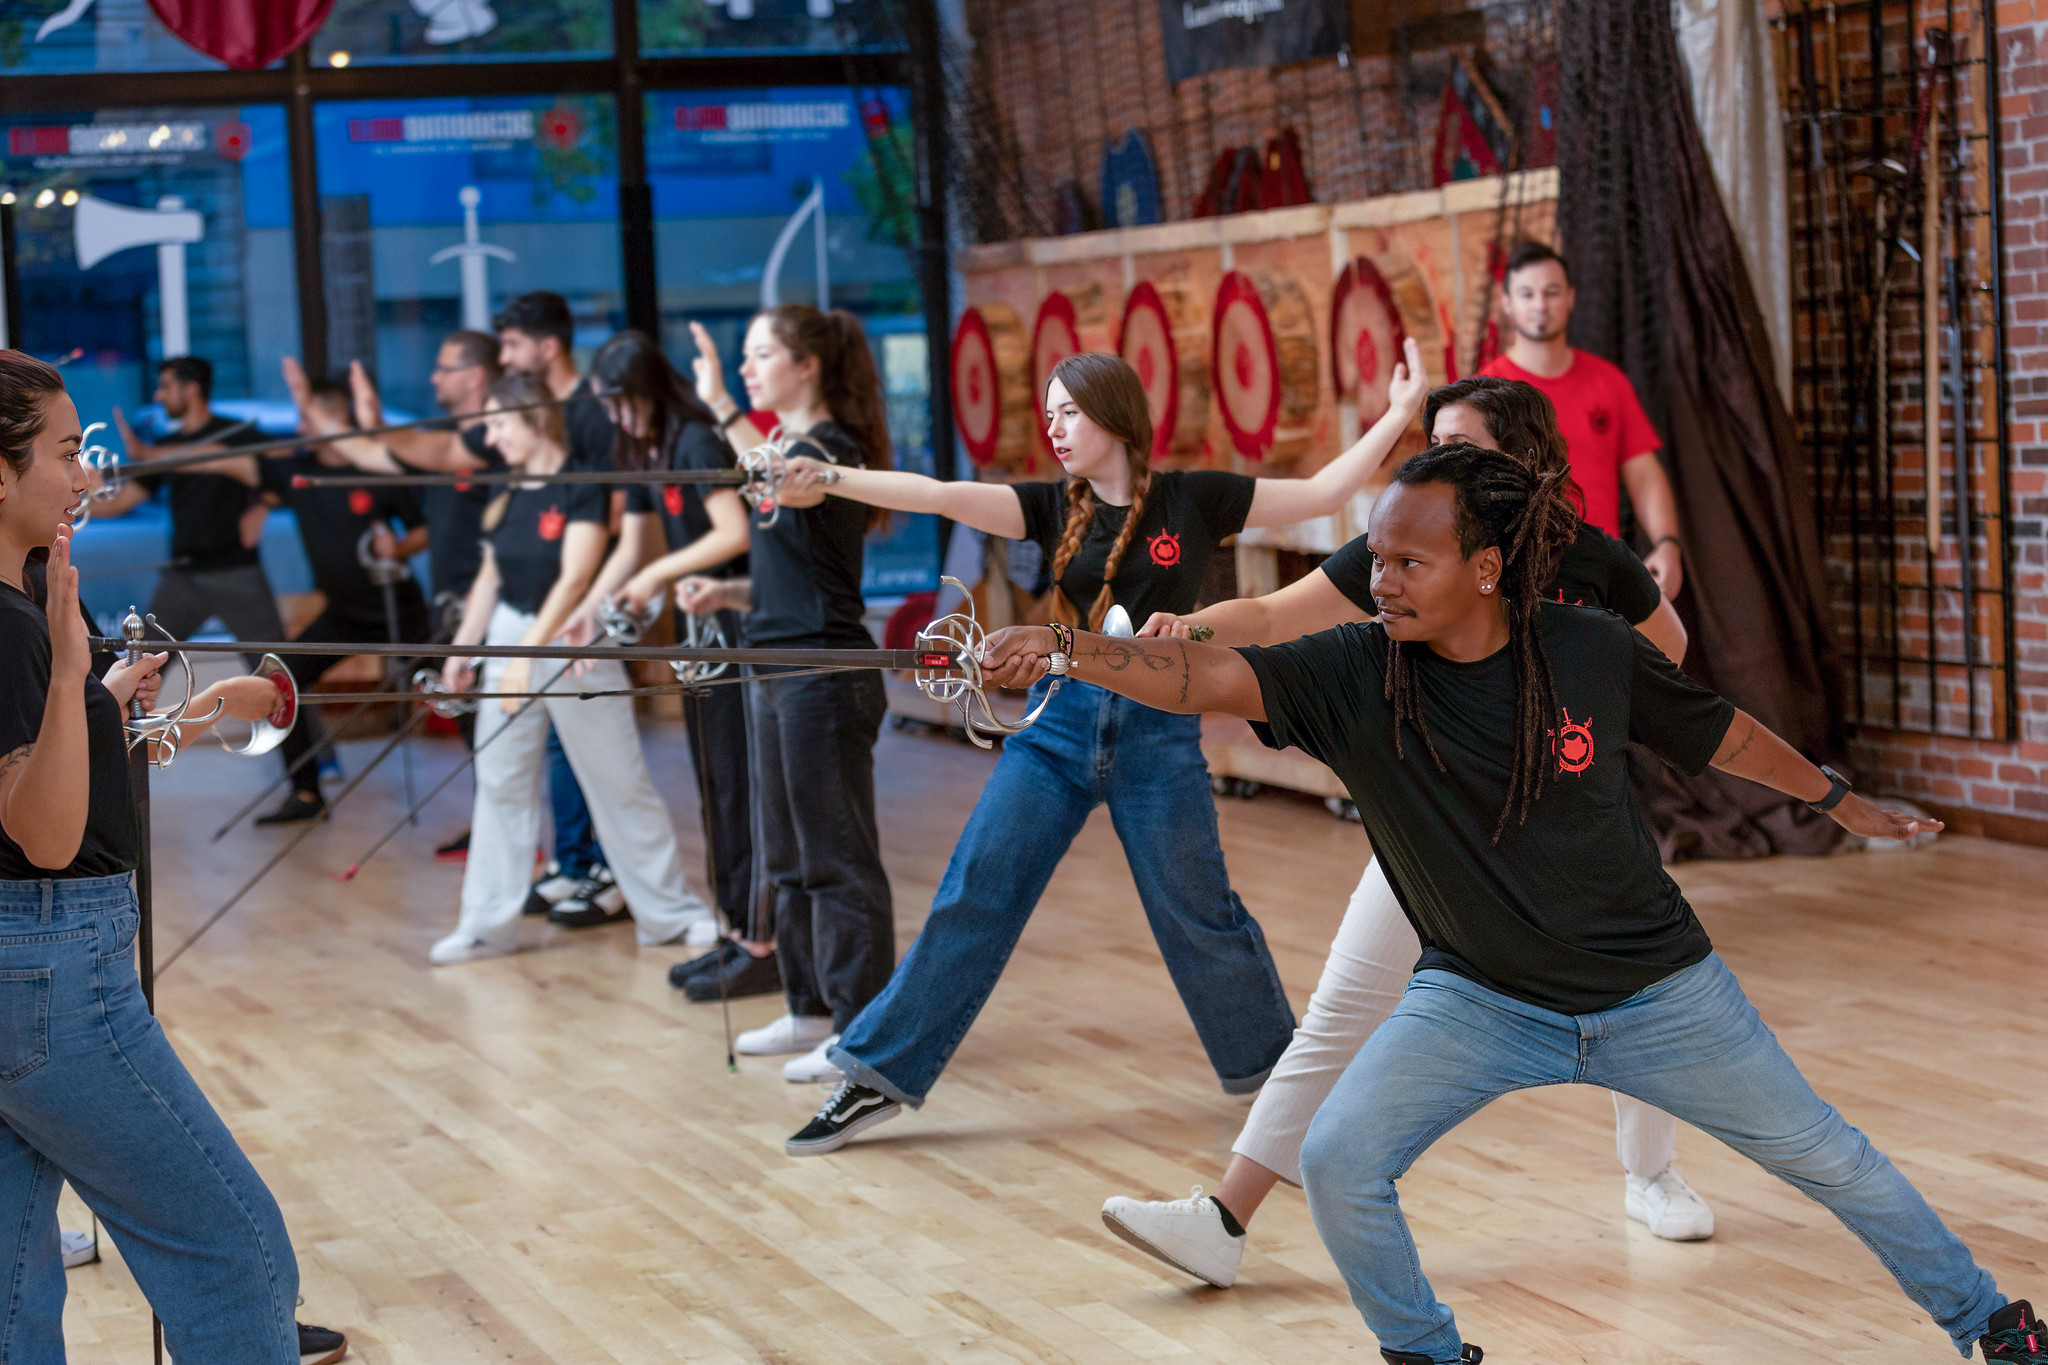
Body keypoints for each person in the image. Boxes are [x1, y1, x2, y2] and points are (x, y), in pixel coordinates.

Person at [970, 442, 2048, 1365]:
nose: (1377, 581)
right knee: (1342, 1160)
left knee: (1827, 1157)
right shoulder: (1351, 671)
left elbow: (1717, 731)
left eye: (1404, 562)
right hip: (1478, 998)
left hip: (1658, 991)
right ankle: (1427, 1352)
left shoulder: (1584, 651)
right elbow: (1202, 680)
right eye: (1373, 558)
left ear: (1484, 569)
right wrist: (1071, 651)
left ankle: (1986, 1321)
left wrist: (1832, 798)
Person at [1097, 377, 1706, 1291]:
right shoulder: (1403, 542)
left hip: (1571, 831)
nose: (1437, 468)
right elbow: (1268, 618)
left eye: (1462, 448)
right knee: (1341, 1011)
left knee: (1640, 1000)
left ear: (1524, 461)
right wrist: (1181, 631)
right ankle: (1223, 1218)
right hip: (1438, 821)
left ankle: (1651, 1174)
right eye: (1433, 449)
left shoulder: (1590, 559)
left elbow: (1672, 649)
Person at [780, 341, 1431, 1146]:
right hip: (1055, 728)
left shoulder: (1194, 499)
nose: (1055, 428)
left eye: (1069, 412)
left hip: (1158, 738)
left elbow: (1326, 490)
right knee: (974, 893)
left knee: (1201, 914)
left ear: (1114, 415)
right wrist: (832, 479)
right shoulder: (1052, 506)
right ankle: (875, 1074)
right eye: (1048, 413)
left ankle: (1276, 1082)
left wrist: (1400, 414)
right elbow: (940, 492)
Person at [0, 348, 351, 1363]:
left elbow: (21, 781)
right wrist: (71, 662)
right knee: (236, 1259)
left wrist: (140, 704)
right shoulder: (19, 630)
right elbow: (47, 832)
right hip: (52, 974)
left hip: (23, 967)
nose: (85, 477)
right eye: (67, 455)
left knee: (15, 1293)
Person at [675, 305, 898, 1081]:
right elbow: (794, 573)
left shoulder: (827, 451)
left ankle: (863, 1029)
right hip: (774, 665)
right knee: (789, 856)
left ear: (806, 366)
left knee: (837, 856)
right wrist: (729, 594)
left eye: (760, 353)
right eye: (742, 356)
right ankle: (810, 1007)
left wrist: (724, 410)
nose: (745, 366)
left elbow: (781, 483)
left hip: (824, 674)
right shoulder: (777, 449)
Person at [428, 371, 712, 965]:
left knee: (617, 779)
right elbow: (490, 577)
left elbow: (577, 576)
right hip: (513, 629)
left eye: (501, 424)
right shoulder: (507, 486)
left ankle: (672, 915)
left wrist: (525, 656)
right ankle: (486, 924)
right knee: (501, 783)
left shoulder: (582, 479)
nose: (493, 437)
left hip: (571, 636)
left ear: (533, 418)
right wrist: (465, 648)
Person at [172, 372, 432, 823]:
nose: (299, 429)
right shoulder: (298, 471)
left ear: (334, 417)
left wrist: (399, 546)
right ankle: (307, 794)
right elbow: (232, 464)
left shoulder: (377, 468)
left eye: (307, 419)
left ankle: (489, 796)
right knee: (280, 680)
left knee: (456, 688)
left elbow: (422, 530)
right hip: (345, 615)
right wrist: (261, 504)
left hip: (398, 611)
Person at [566, 329, 754, 942]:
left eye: (622, 402)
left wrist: (656, 573)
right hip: (698, 628)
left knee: (735, 780)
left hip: (738, 621)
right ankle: (733, 927)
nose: (616, 416)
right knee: (710, 778)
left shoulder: (695, 439)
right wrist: (589, 609)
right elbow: (635, 543)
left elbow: (733, 533)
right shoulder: (644, 449)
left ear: (647, 390)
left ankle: (755, 932)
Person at [91, 357, 304, 821]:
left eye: (166, 387)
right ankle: (107, 784)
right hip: (183, 579)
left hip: (237, 575)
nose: (160, 396)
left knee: (276, 673)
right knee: (140, 668)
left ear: (191, 390)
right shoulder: (166, 446)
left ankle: (307, 789)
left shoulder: (237, 433)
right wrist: (78, 495)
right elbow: (124, 500)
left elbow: (274, 478)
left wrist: (262, 508)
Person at [318, 334, 504, 861]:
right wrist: (330, 422)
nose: (433, 378)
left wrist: (373, 418)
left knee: (504, 733)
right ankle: (495, 828)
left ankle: (530, 842)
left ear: (476, 376)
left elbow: (403, 446)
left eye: (445, 368)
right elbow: (374, 455)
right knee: (474, 727)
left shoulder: (495, 441)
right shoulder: (447, 438)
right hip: (452, 607)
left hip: (491, 606)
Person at [493, 293, 621, 921]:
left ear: (547, 347)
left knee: (590, 746)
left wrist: (594, 600)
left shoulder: (590, 418)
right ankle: (571, 862)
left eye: (514, 346)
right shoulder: (539, 418)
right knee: (554, 746)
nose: (506, 359)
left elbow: (612, 514)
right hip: (544, 602)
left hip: (590, 608)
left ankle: (600, 868)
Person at [1480, 242, 1685, 599]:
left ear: (1571, 298)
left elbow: (1644, 473)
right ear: (1508, 303)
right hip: (1521, 579)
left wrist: (1667, 543)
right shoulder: (1488, 394)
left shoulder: (1608, 381)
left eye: (1552, 292)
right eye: (1527, 293)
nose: (1540, 304)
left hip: (1603, 577)